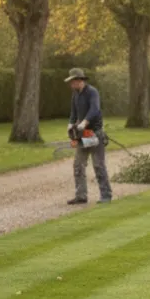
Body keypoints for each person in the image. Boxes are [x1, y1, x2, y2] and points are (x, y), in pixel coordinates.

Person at [65, 68, 112, 205]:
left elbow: (94, 109)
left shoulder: (92, 92)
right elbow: (74, 112)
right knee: (78, 165)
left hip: (94, 133)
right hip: (83, 134)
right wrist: (71, 123)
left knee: (98, 165)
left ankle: (106, 195)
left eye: (73, 81)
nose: (71, 84)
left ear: (79, 80)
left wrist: (85, 122)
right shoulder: (75, 94)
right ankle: (81, 195)